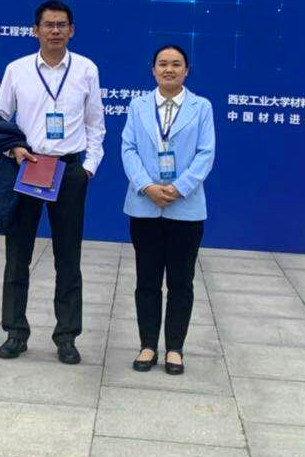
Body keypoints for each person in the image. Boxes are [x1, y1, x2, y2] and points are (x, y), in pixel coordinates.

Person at [0, 0, 105, 365]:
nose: (55, 31)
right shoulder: (17, 69)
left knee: (68, 258)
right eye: (48, 25)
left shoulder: (86, 69)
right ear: (35, 30)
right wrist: (12, 149)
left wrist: (88, 167)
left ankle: (66, 337)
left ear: (72, 30)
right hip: (28, 167)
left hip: (68, 171)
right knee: (17, 255)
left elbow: (95, 124)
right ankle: (15, 332)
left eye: (61, 25)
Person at [119, 44, 215, 375]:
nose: (169, 69)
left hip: (185, 208)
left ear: (187, 70)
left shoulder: (201, 107)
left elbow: (206, 153)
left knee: (181, 282)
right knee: (146, 280)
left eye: (176, 64)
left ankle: (175, 348)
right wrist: (147, 186)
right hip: (144, 206)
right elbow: (128, 149)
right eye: (162, 64)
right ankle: (147, 345)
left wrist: (178, 188)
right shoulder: (138, 106)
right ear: (153, 70)